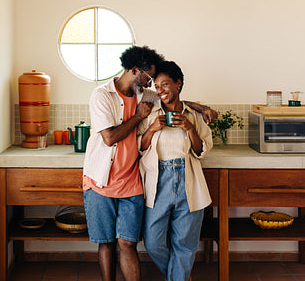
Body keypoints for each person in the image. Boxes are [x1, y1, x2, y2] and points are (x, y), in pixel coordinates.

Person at [83, 46, 217, 281]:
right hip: (113, 178)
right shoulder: (107, 95)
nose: (152, 85)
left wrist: (201, 109)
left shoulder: (144, 96)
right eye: (149, 79)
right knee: (125, 242)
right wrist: (144, 120)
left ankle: (177, 277)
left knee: (134, 242)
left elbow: (175, 98)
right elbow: (111, 138)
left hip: (138, 180)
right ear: (134, 70)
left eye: (155, 81)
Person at [138, 61, 213, 281]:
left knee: (185, 244)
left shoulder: (194, 116)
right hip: (158, 181)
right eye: (156, 86)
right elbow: (140, 148)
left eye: (165, 84)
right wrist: (152, 129)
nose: (160, 90)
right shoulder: (150, 112)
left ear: (178, 84)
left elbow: (202, 151)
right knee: (153, 242)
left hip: (188, 179)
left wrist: (189, 128)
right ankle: (181, 276)